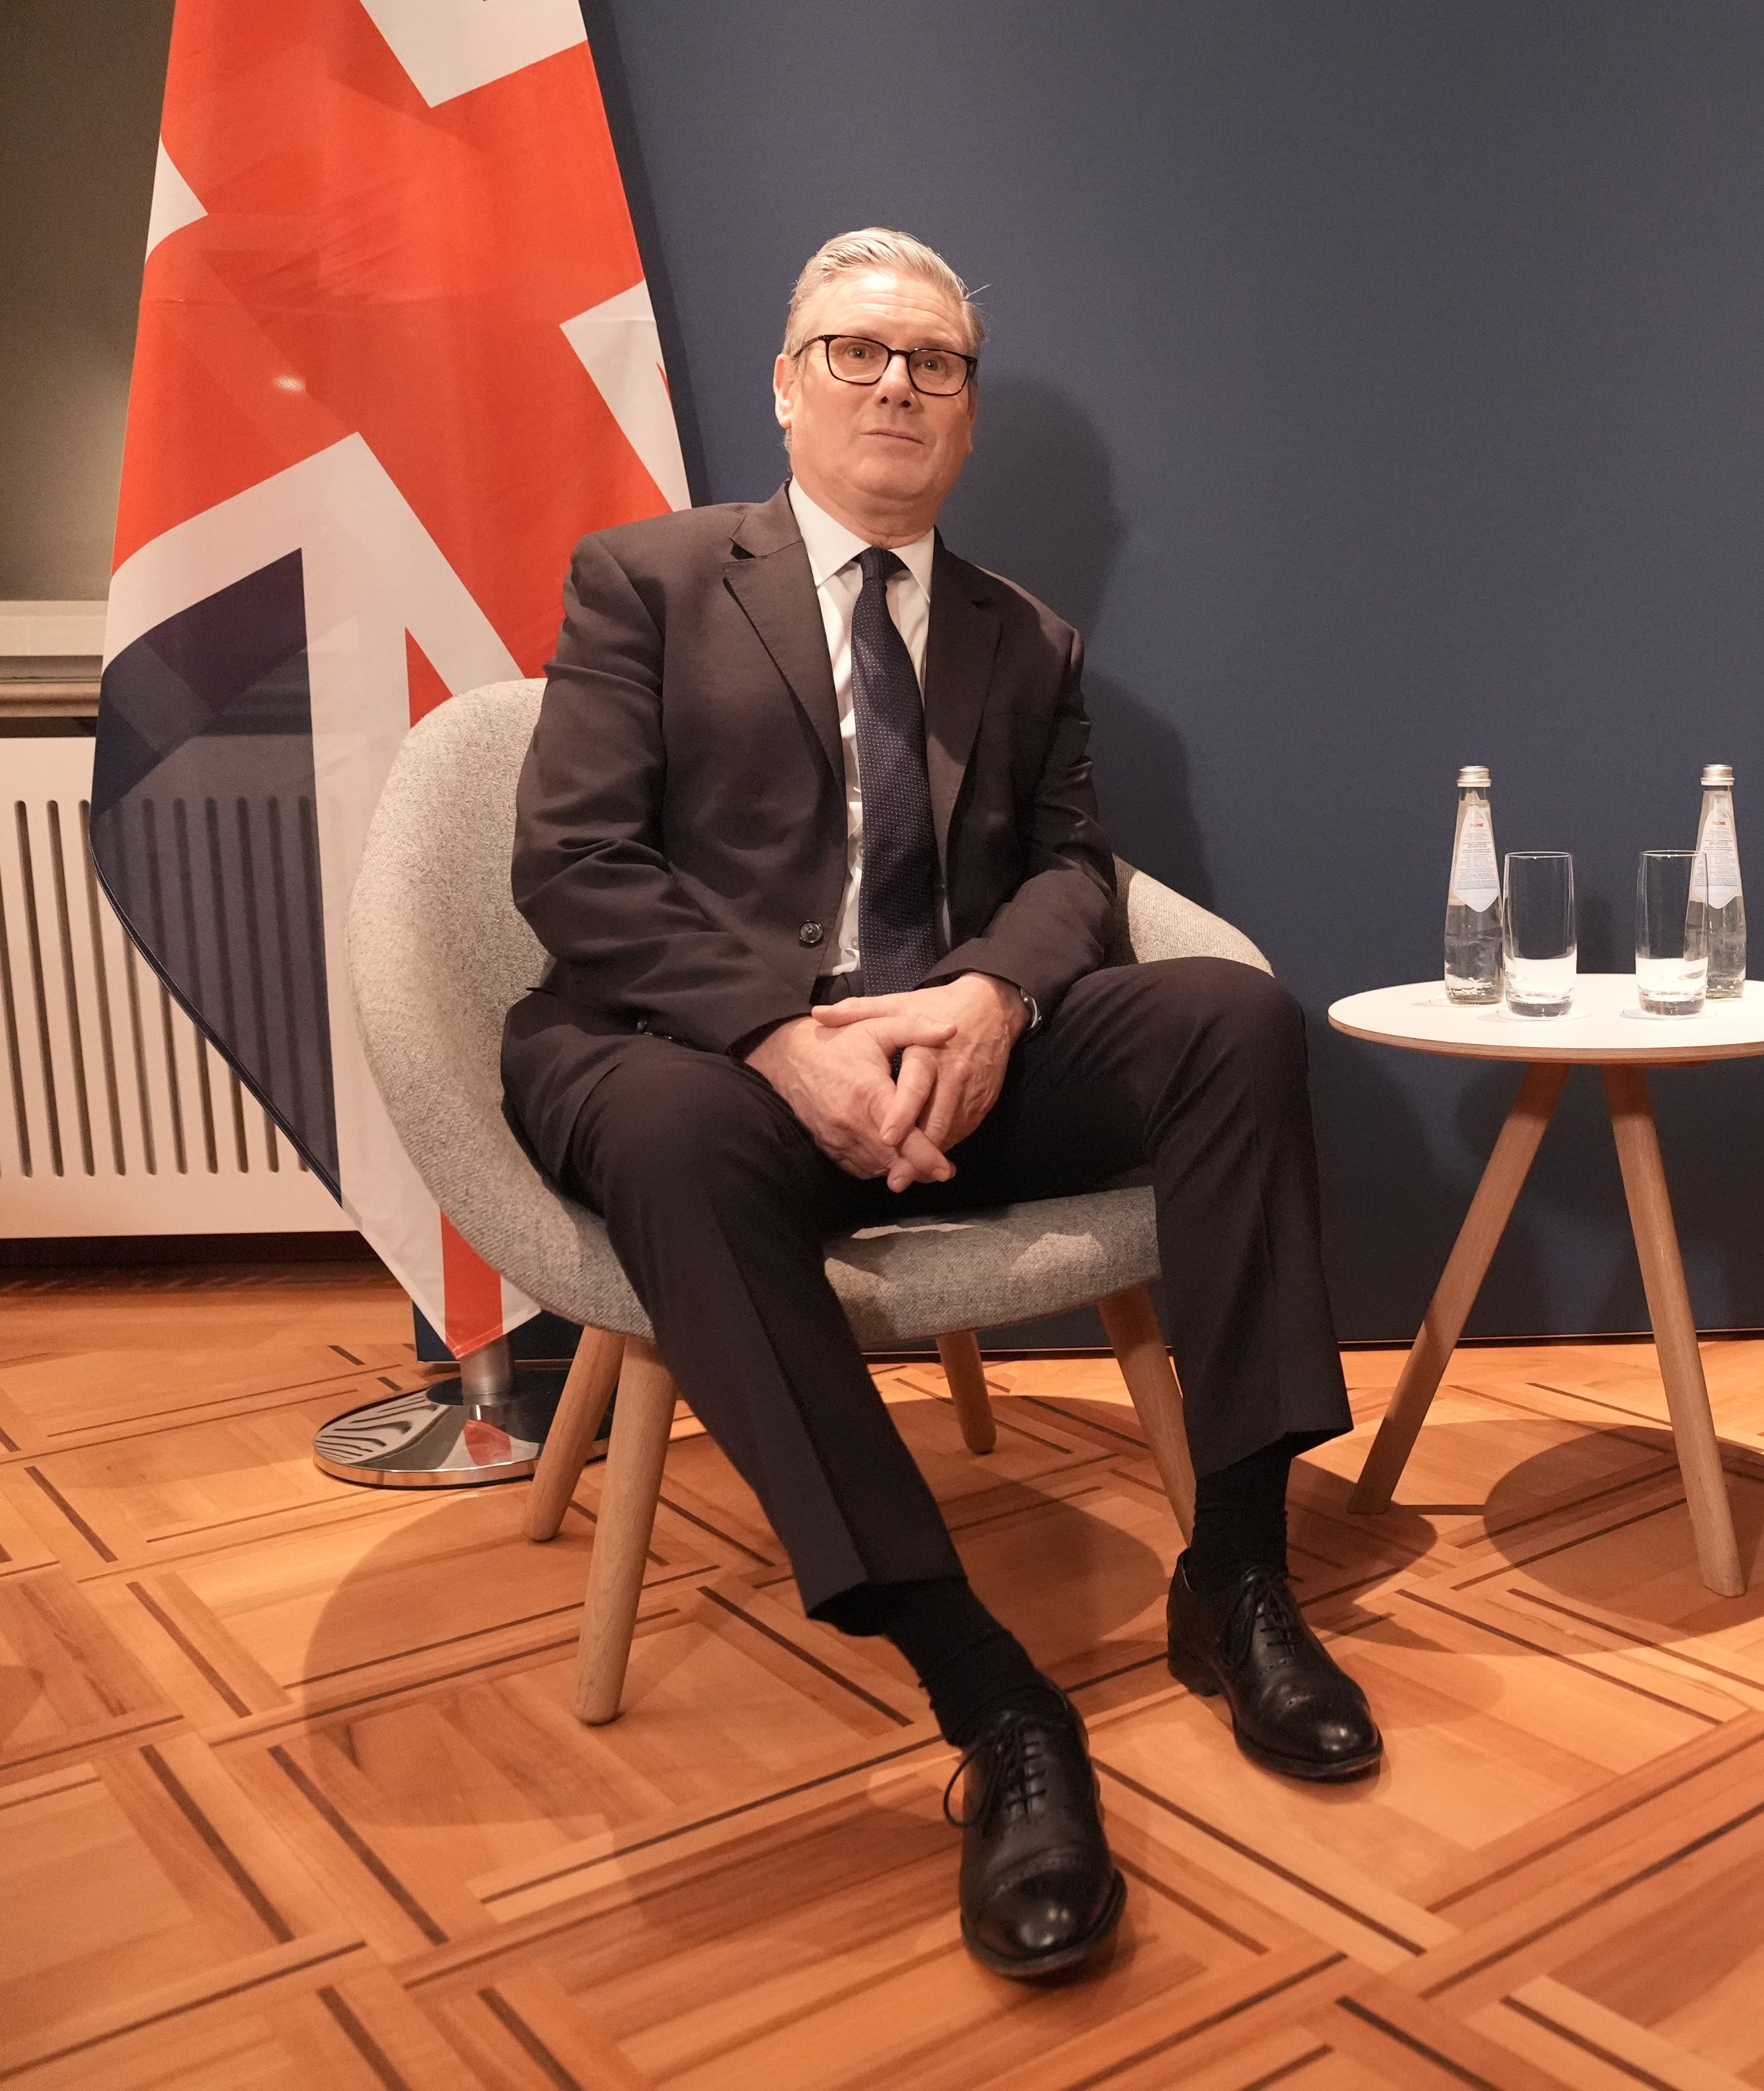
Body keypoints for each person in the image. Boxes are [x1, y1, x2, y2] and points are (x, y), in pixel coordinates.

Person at [503, 227, 1378, 1982]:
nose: (898, 384)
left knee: (1231, 1019)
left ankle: (1243, 1568)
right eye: (857, 351)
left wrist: (992, 998)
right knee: (674, 1144)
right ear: (784, 380)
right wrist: (778, 1033)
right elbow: (575, 868)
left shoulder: (1023, 635)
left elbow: (1075, 867)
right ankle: (994, 1703)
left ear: (969, 409)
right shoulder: (651, 581)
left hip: (949, 1049)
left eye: (936, 361)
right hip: (696, 1059)